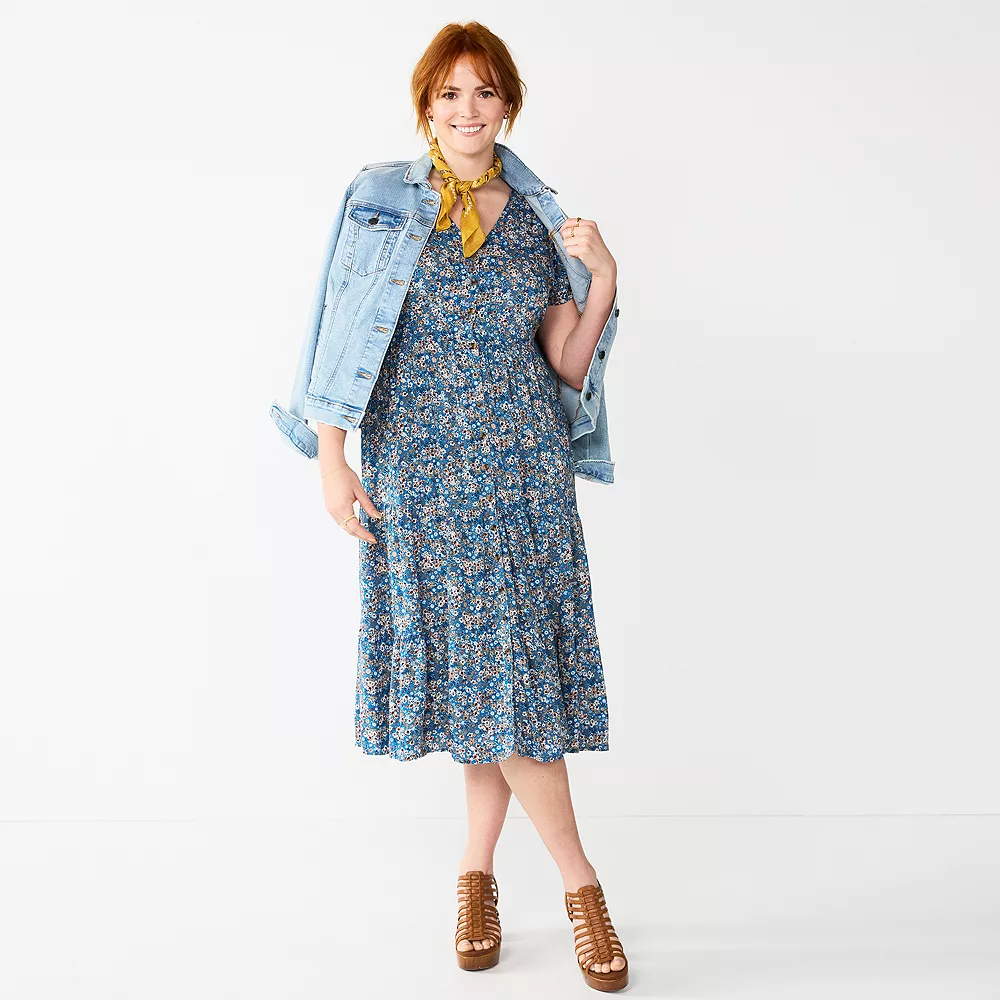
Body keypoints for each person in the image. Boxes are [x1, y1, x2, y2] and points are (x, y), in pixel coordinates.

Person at [294, 21, 628, 991]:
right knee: (490, 687)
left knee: (502, 687)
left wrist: (604, 278)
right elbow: (333, 328)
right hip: (423, 477)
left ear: (507, 105)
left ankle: (502, 880)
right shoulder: (377, 201)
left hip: (522, 478)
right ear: (425, 106)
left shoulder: (539, 221)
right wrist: (330, 460)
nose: (467, 110)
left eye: (484, 93)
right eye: (449, 94)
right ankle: (564, 885)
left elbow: (565, 362)